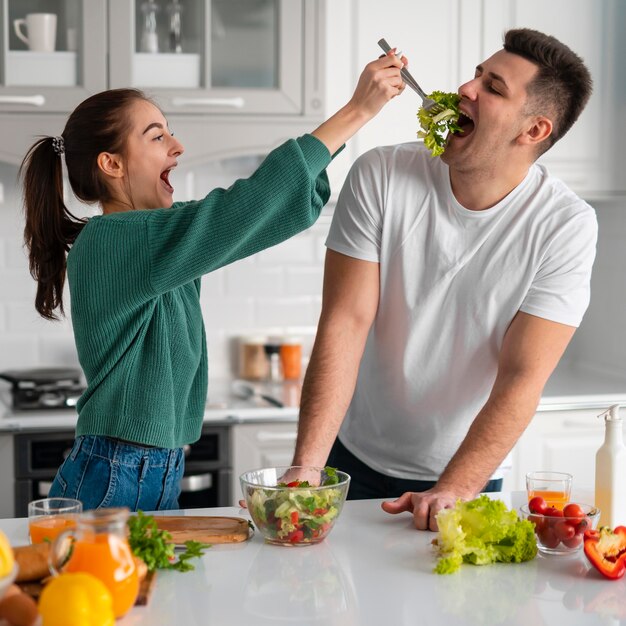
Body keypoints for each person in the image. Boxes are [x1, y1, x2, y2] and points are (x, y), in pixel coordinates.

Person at [20, 52, 407, 511]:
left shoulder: (154, 237)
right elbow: (242, 207)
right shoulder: (118, 240)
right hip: (117, 471)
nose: (177, 146)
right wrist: (358, 111)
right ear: (112, 164)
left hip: (144, 467)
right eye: (157, 136)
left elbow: (256, 217)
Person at [290, 28, 597, 531]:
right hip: (350, 456)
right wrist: (307, 468)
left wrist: (455, 487)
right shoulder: (382, 174)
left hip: (468, 474)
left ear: (534, 130)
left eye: (493, 88)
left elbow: (523, 377)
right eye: (476, 74)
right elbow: (346, 321)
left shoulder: (565, 225)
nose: (465, 90)